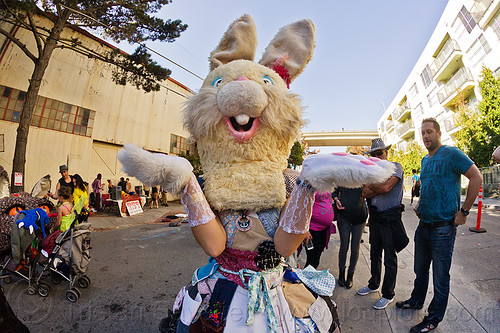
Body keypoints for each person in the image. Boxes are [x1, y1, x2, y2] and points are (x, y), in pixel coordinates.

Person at [398, 118, 482, 333]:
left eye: (429, 132)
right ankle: (416, 301)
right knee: (420, 270)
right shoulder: (425, 160)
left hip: (443, 229)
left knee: (441, 276)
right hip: (423, 226)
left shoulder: (452, 154)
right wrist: (420, 204)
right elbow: (427, 185)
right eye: (422, 133)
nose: (425, 136)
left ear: (438, 133)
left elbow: (476, 177)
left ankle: (433, 318)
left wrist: (464, 211)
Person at [357, 138, 404, 310]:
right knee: (374, 254)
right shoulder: (371, 172)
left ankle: (388, 294)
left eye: (380, 153)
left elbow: (386, 188)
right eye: (374, 154)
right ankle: (373, 284)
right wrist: (378, 185)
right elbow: (363, 193)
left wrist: (374, 186)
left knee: (390, 258)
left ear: (386, 153)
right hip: (376, 218)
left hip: (390, 218)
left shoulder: (395, 167)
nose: (377, 156)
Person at [333, 186, 367, 289]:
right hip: (344, 215)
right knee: (344, 246)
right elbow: (334, 191)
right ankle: (341, 273)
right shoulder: (343, 174)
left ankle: (351, 274)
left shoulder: (364, 175)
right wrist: (336, 199)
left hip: (360, 215)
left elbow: (371, 192)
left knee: (355, 247)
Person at [303, 191, 335, 269]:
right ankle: (305, 279)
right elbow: (303, 207)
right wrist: (305, 230)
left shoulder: (325, 183)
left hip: (324, 229)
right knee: (312, 260)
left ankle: (307, 278)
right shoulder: (310, 184)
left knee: (316, 258)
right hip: (312, 228)